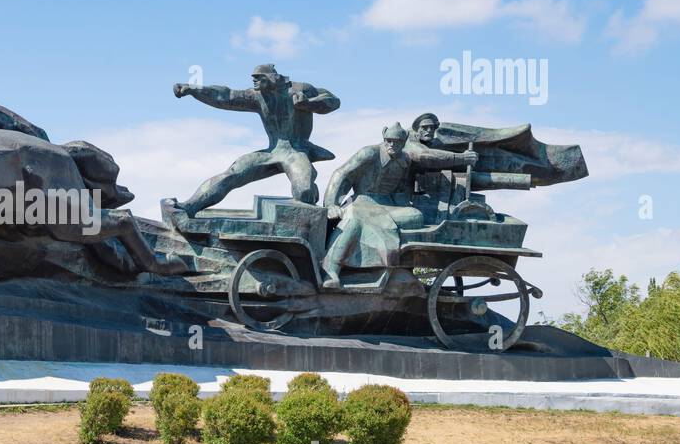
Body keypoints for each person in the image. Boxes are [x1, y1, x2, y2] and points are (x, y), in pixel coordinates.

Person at [319, 123, 477, 289]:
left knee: (415, 216)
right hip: (362, 201)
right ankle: (331, 269)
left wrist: (404, 204)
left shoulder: (405, 160)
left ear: (404, 141)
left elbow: (401, 190)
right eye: (389, 141)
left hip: (388, 205)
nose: (392, 145)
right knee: (353, 221)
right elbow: (342, 174)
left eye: (397, 141)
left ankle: (392, 266)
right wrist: (331, 203)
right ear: (384, 138)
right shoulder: (369, 153)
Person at [172, 64, 339, 213]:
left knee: (304, 193)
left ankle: (313, 214)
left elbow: (333, 101)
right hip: (272, 152)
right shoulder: (257, 96)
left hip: (297, 151)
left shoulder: (301, 89)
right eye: (254, 78)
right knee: (231, 175)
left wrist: (309, 103)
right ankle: (190, 206)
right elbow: (226, 96)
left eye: (258, 78)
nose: (254, 81)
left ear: (273, 78)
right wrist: (193, 90)